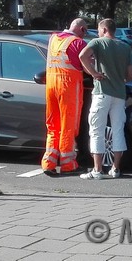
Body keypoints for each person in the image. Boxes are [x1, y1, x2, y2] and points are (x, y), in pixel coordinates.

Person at [78, 18, 132, 179]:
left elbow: (82, 56)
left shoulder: (98, 42)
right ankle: (116, 168)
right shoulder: (125, 47)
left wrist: (94, 73)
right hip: (119, 94)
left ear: (103, 30)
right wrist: (120, 79)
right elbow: (130, 75)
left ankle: (97, 170)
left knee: (96, 130)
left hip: (102, 92)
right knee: (117, 130)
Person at [41, 18, 89, 176]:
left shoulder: (53, 39)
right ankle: (68, 164)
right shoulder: (79, 43)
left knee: (53, 125)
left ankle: (49, 162)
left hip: (51, 86)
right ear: (82, 29)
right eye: (86, 31)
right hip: (68, 88)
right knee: (68, 126)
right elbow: (88, 66)